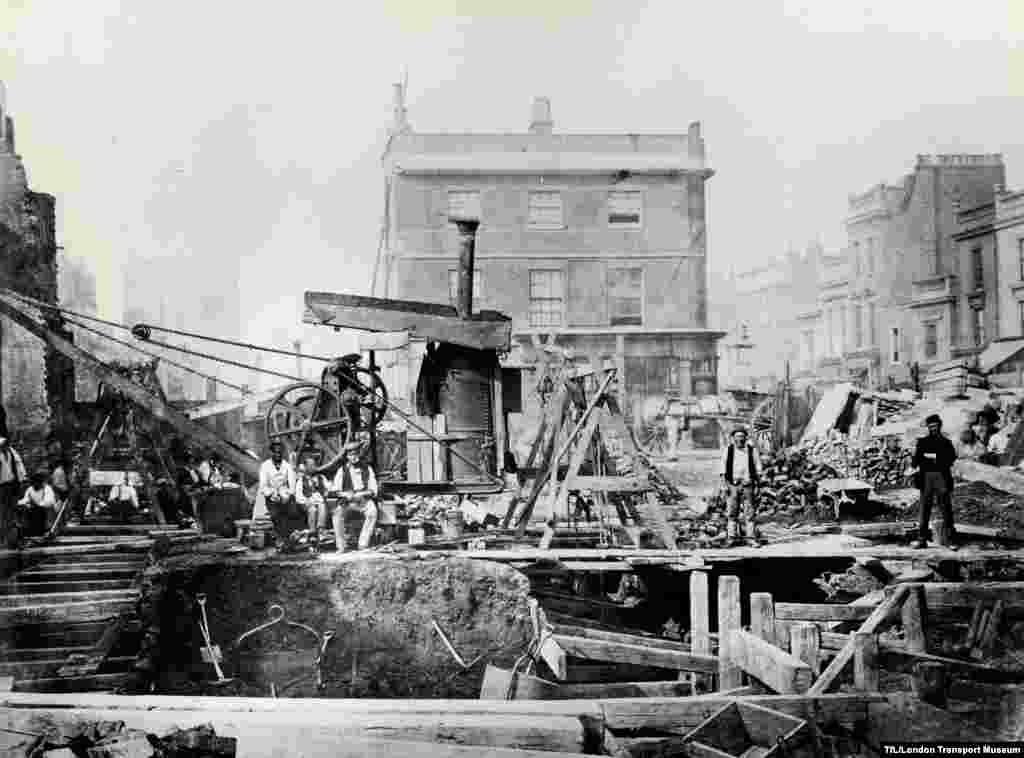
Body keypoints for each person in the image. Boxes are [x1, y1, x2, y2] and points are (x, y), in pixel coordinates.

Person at [911, 414, 958, 549]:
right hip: (926, 478)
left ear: (940, 426)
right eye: (930, 427)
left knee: (946, 510)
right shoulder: (922, 442)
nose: (933, 429)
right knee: (924, 510)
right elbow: (916, 461)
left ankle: (951, 541)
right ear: (928, 427)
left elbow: (950, 459)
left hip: (941, 478)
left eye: (935, 426)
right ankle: (922, 540)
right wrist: (919, 456)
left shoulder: (946, 442)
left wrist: (932, 457)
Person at [330, 440, 379, 551]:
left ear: (359, 454)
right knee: (337, 514)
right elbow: (334, 490)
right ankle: (341, 546)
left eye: (356, 454)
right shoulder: (342, 470)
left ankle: (363, 544)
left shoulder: (367, 469)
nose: (354, 457)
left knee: (372, 511)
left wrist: (362, 494)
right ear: (347, 456)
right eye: (351, 455)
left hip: (362, 500)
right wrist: (345, 494)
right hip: (347, 501)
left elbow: (373, 490)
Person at [721, 427, 761, 546]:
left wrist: (758, 485)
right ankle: (731, 538)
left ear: (746, 438)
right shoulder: (728, 450)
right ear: (733, 438)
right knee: (732, 513)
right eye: (737, 437)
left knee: (750, 513)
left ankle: (751, 538)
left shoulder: (751, 450)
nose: (740, 439)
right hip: (733, 485)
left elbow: (758, 467)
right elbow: (722, 468)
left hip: (748, 485)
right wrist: (724, 485)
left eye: (742, 437)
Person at [258, 441, 297, 546]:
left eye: (280, 452)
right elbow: (263, 485)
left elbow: (292, 485)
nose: (278, 454)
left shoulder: (287, 466)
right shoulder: (265, 466)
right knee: (275, 514)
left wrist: (287, 495)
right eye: (275, 452)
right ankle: (280, 538)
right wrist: (272, 494)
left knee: (291, 512)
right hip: (272, 495)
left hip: (285, 494)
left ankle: (287, 538)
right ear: (271, 453)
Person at [295, 456, 330, 550]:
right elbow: (298, 496)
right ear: (305, 467)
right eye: (310, 465)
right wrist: (307, 501)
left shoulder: (321, 477)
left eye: (314, 465)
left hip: (319, 501)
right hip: (307, 503)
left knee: (322, 505)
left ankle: (321, 530)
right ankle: (312, 532)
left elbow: (329, 487)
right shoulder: (301, 480)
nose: (312, 467)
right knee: (313, 509)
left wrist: (327, 491)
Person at [0, 437, 27, 547]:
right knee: (2, 512)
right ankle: (3, 539)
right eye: (2, 445)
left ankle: (10, 539)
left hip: (11, 485)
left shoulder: (11, 452)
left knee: (11, 512)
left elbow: (19, 465)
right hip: (1, 486)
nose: (4, 446)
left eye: (6, 444)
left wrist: (23, 479)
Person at [18, 469, 57, 537]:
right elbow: (26, 499)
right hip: (33, 511)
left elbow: (49, 502)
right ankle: (28, 531)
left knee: (39, 511)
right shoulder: (30, 489)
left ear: (40, 482)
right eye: (33, 482)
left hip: (45, 512)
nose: (35, 484)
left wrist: (37, 504)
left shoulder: (47, 489)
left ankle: (44, 530)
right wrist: (21, 503)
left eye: (37, 482)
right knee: (24, 510)